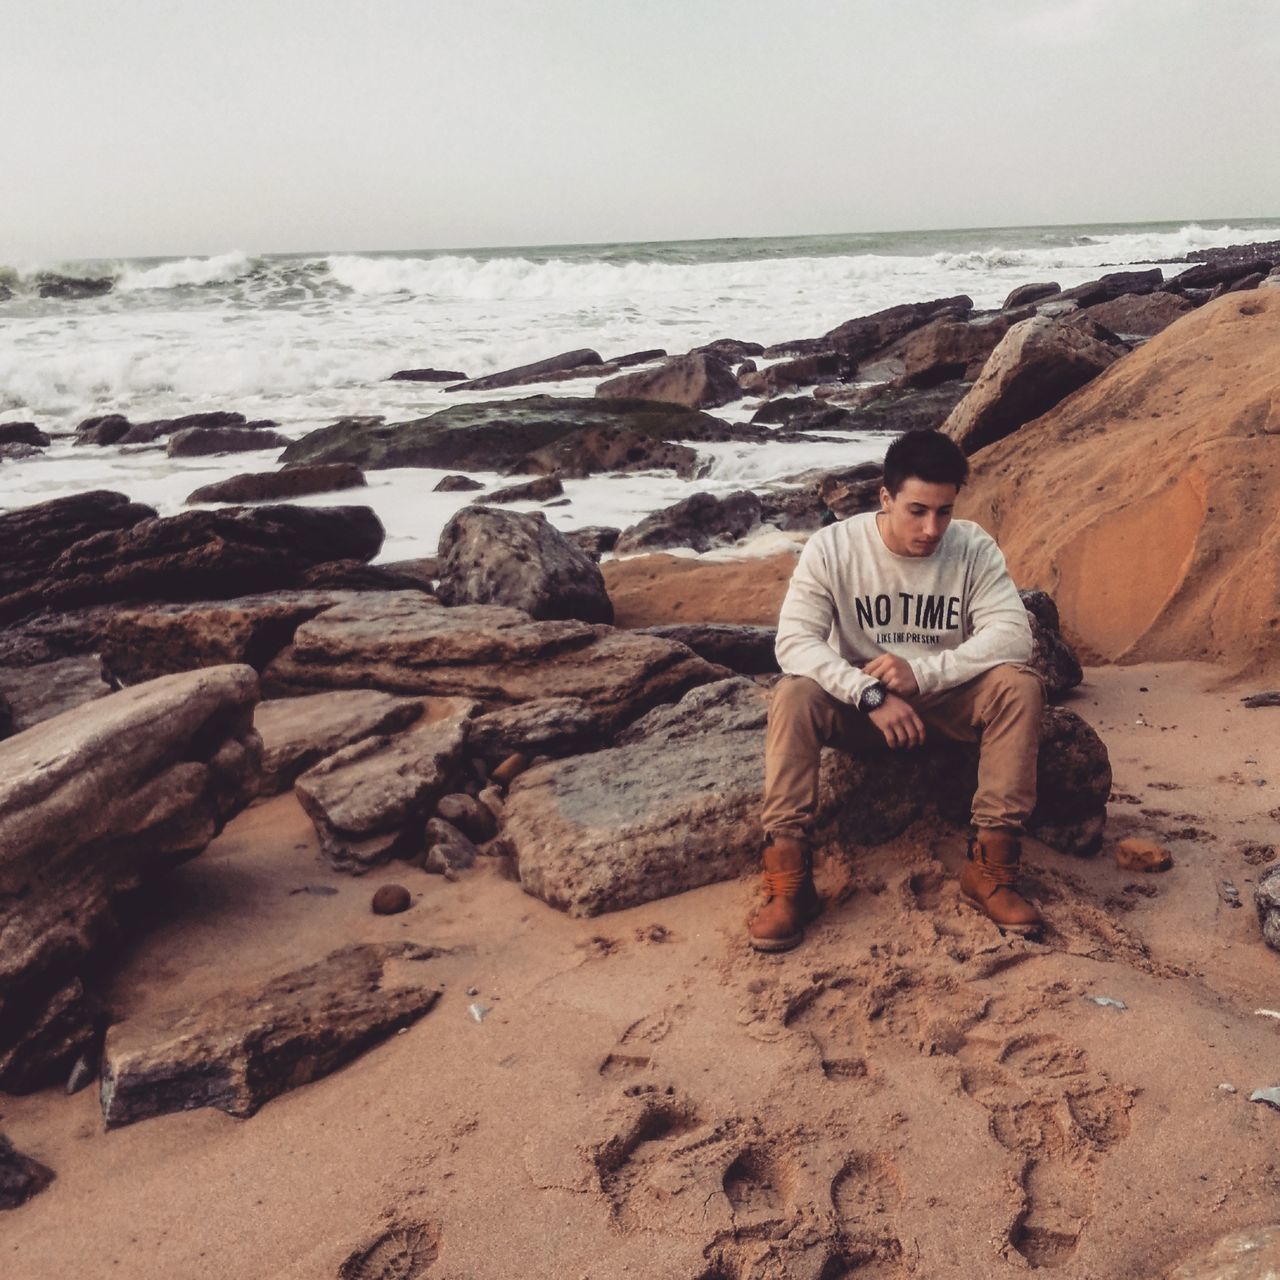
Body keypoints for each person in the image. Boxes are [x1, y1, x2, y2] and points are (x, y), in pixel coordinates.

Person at [750, 429, 1044, 952]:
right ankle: (789, 882)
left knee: (1018, 686)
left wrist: (924, 674)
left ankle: (991, 868)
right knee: (794, 695)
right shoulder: (834, 547)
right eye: (917, 510)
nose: (932, 528)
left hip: (943, 702)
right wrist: (869, 693)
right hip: (862, 709)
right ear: (885, 498)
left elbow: (1013, 635)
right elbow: (794, 641)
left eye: (944, 511)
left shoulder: (972, 546)